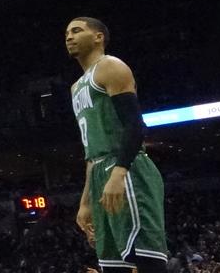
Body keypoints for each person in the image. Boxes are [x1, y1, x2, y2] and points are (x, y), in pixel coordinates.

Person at [66, 17, 168, 273]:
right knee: (113, 266)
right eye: (67, 33)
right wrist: (86, 200)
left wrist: (119, 172)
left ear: (99, 37)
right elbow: (91, 153)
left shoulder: (110, 66)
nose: (69, 37)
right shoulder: (76, 87)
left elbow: (135, 126)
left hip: (127, 168)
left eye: (77, 31)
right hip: (100, 169)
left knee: (147, 260)